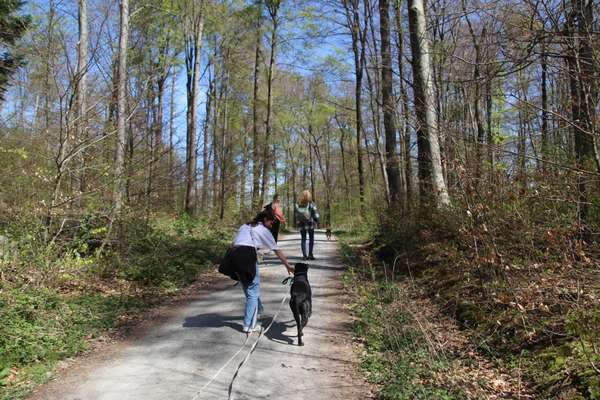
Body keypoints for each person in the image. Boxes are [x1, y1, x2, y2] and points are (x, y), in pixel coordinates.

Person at [230, 208, 294, 333]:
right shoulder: (263, 230)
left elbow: (234, 242)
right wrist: (287, 265)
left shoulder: (245, 226)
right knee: (252, 293)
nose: (271, 226)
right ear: (265, 220)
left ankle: (258, 311)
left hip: (234, 256)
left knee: (249, 289)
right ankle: (249, 325)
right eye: (271, 223)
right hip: (247, 257)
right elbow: (276, 249)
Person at [294, 190, 319, 260]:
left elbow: (296, 214)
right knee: (311, 238)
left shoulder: (298, 203)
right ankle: (310, 255)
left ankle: (304, 255)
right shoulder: (311, 203)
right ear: (309, 196)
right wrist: (317, 219)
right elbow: (315, 213)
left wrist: (298, 221)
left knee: (303, 239)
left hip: (301, 223)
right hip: (310, 223)